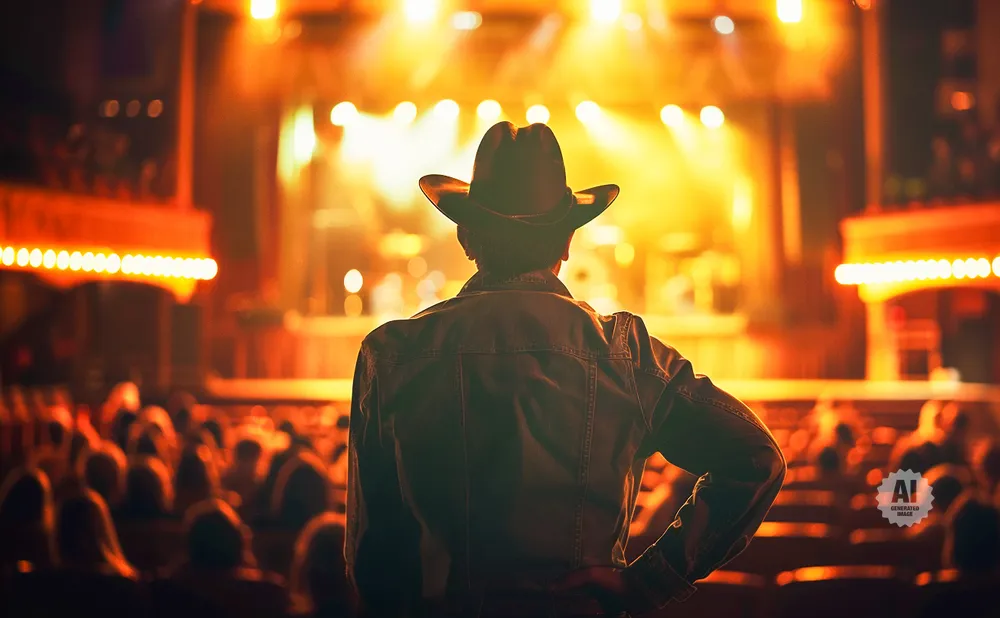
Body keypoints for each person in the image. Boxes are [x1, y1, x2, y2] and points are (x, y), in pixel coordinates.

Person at [345, 122, 786, 617]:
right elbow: (756, 458)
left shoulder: (390, 354)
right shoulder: (625, 354)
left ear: (466, 236)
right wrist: (648, 582)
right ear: (567, 243)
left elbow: (370, 558)